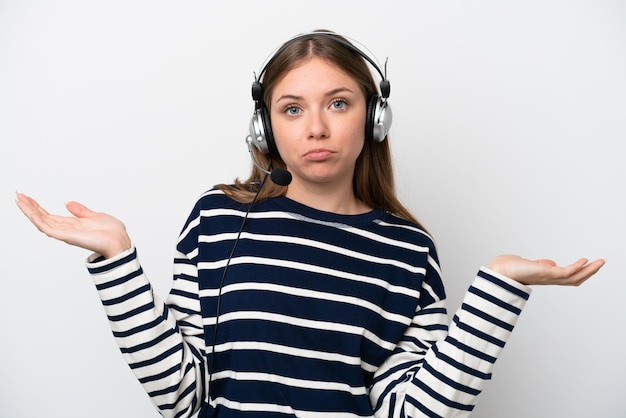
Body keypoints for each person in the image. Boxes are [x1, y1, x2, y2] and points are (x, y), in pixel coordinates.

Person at [16, 30, 604, 418]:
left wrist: (500, 287)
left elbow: (411, 411)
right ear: (266, 128)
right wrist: (117, 261)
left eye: (338, 103)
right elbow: (184, 396)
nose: (315, 128)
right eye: (291, 109)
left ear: (374, 119)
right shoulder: (220, 220)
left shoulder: (408, 250)